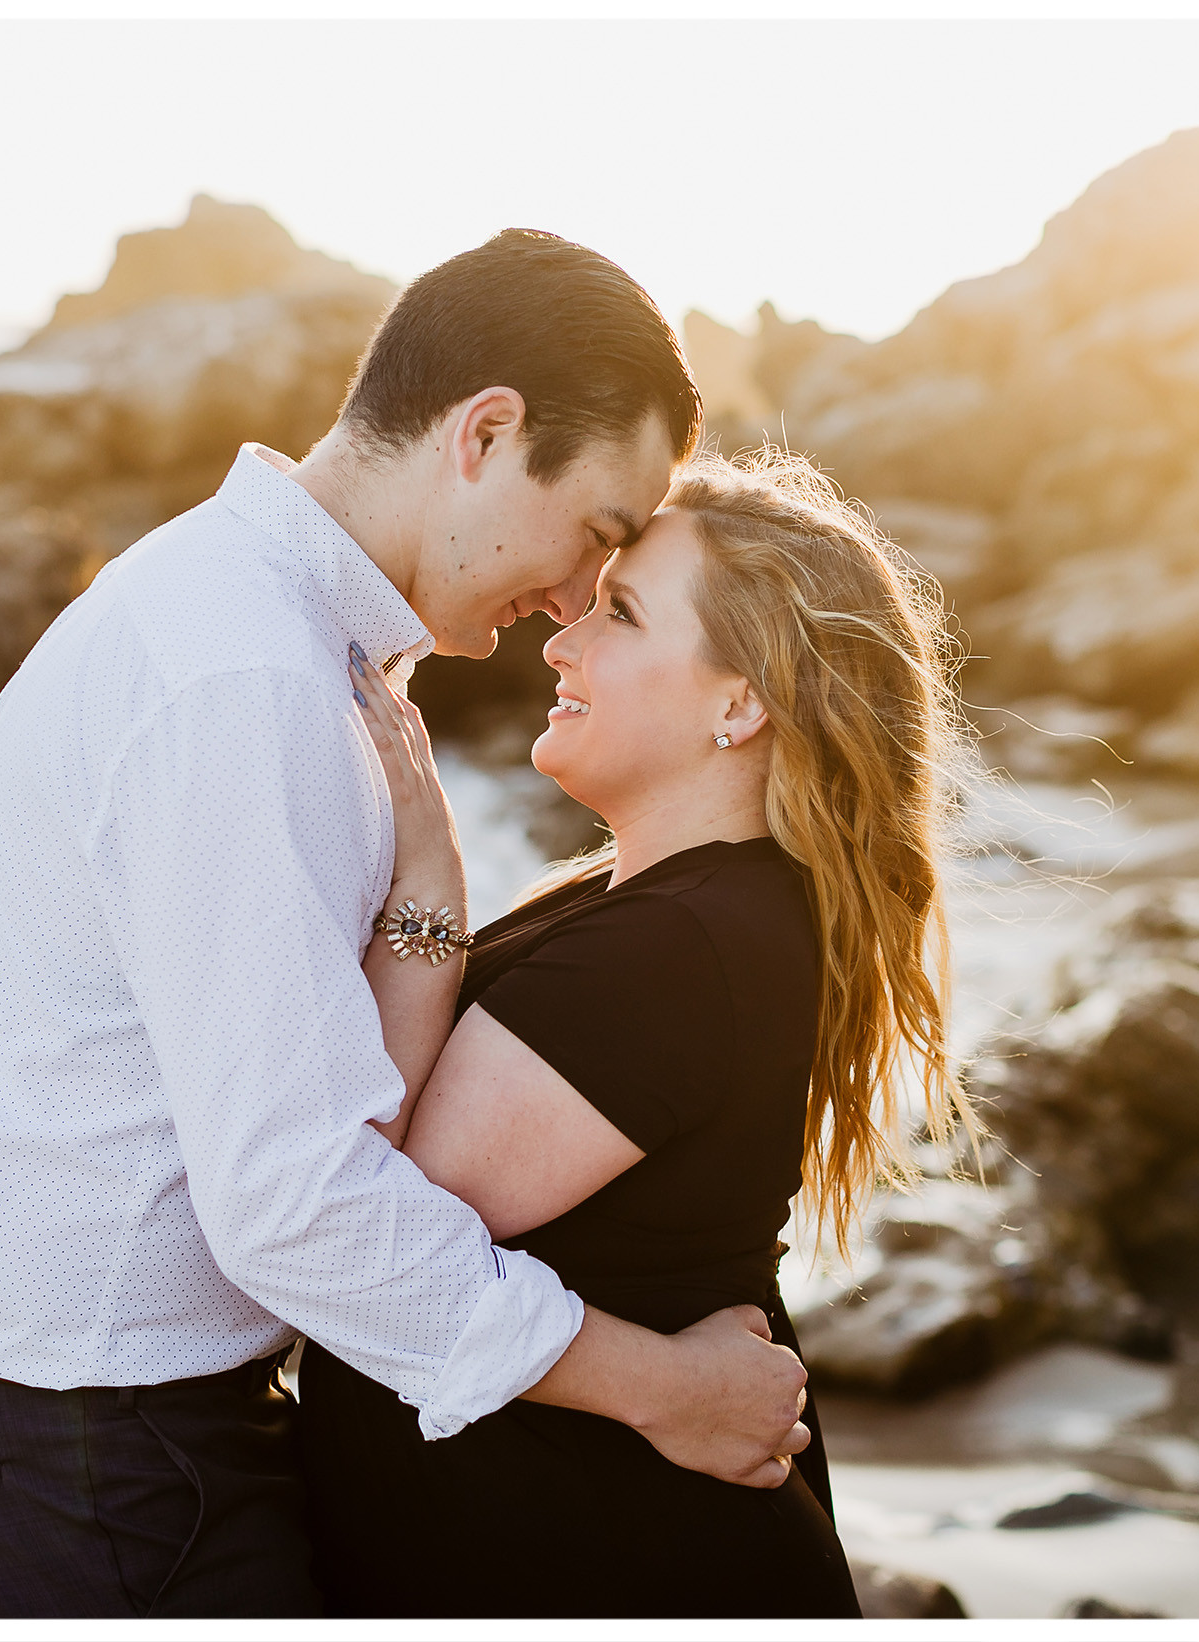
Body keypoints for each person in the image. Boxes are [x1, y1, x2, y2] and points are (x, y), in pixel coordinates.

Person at [0, 231, 813, 1619]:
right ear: (485, 433)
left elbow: (324, 1110)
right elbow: (298, 1205)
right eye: (597, 535)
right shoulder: (253, 682)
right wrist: (663, 1386)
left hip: (68, 1402)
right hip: (73, 1434)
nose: (567, 601)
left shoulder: (279, 636)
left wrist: (426, 896)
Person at [299, 447, 976, 1617]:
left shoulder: (685, 947)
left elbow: (362, 1221)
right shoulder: (676, 903)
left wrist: (427, 887)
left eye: (620, 612)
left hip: (611, 1559)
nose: (559, 643)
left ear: (738, 701)